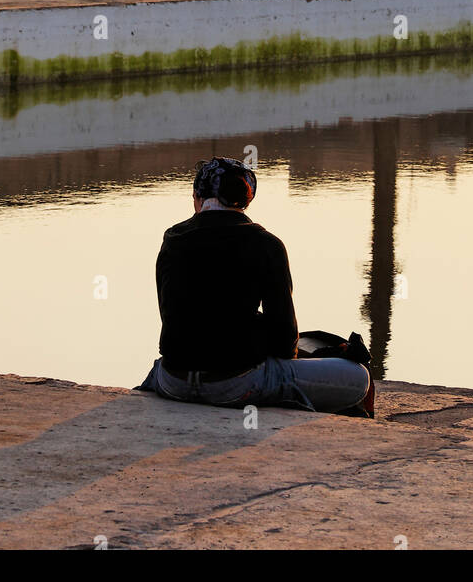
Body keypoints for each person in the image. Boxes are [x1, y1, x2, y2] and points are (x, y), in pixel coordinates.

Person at [137, 156, 371, 414]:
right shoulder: (266, 244)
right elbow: (285, 344)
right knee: (358, 377)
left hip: (173, 381)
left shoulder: (172, 239)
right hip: (233, 385)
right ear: (246, 200)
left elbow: (175, 319)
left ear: (197, 197)